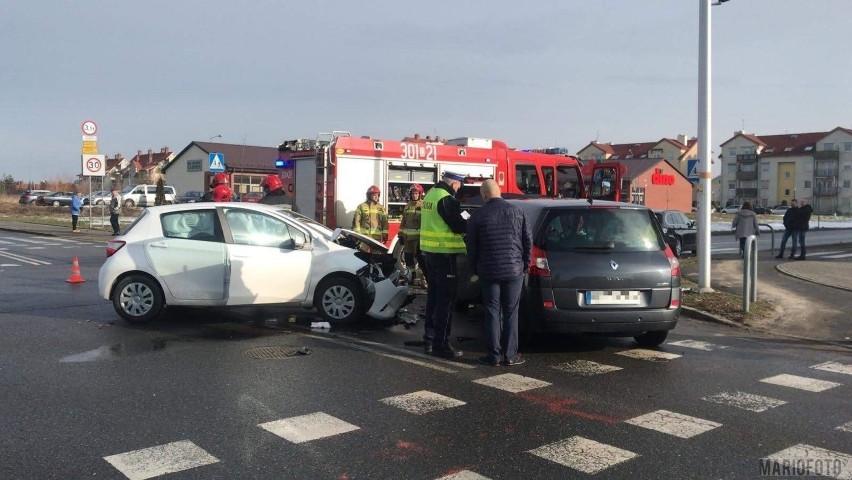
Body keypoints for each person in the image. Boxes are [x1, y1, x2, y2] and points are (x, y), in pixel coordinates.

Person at [465, 179, 532, 367]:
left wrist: (475, 268)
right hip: (514, 270)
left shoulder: (477, 216)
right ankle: (510, 355)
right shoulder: (518, 211)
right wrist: (525, 264)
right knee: (511, 312)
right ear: (499, 191)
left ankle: (493, 355)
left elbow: (472, 247)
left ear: (484, 195)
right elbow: (528, 240)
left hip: (488, 270)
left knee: (492, 311)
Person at [420, 172, 468, 359]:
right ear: (454, 182)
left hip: (429, 254)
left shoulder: (431, 194)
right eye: (460, 184)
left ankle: (430, 338)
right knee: (446, 302)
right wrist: (469, 221)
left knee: (433, 297)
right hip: (445, 255)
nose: (460, 188)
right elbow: (458, 225)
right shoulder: (447, 199)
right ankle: (442, 344)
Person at [398, 184, 426, 287]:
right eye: (413, 193)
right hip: (407, 238)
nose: (414, 195)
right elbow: (403, 221)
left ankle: (424, 280)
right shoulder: (407, 205)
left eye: (416, 193)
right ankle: (411, 277)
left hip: (418, 239)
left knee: (421, 260)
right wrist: (400, 234)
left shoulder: (423, 205)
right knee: (409, 259)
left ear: (420, 194)